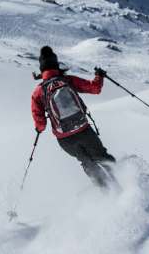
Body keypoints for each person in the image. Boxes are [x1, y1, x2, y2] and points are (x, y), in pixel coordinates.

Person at [31, 46, 116, 188]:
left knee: (87, 163)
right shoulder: (67, 80)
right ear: (56, 64)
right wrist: (99, 76)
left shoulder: (39, 91)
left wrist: (39, 128)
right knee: (103, 158)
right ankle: (124, 186)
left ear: (42, 69)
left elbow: (41, 124)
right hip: (83, 130)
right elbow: (95, 88)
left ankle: (108, 195)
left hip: (64, 139)